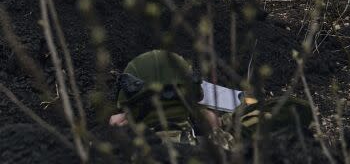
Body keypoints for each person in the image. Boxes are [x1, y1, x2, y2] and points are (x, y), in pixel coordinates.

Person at [109, 50, 312, 145]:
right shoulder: (221, 149)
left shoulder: (105, 153)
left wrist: (110, 135)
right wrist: (220, 126)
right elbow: (296, 109)